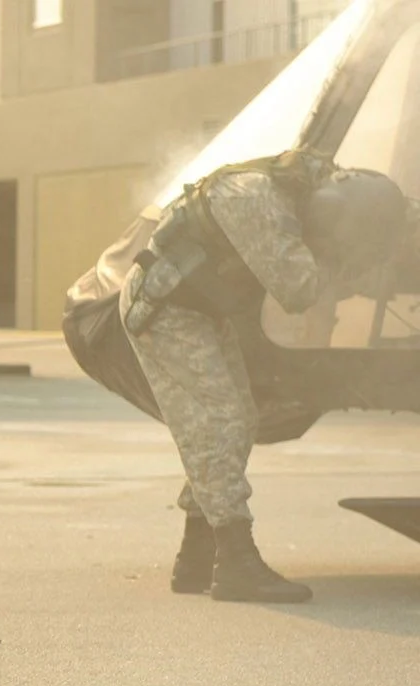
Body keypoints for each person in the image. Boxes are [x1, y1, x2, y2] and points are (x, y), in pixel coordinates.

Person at [121, 153, 411, 602]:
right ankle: (236, 561)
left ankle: (195, 557)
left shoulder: (294, 191)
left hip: (199, 309)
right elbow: (297, 289)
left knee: (242, 421)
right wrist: (353, 272)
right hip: (165, 309)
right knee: (222, 423)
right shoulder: (253, 197)